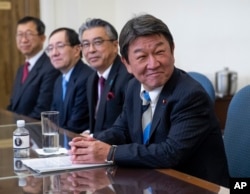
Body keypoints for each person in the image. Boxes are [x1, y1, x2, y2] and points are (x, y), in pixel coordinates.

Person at [69, 14, 229, 187]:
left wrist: (110, 152)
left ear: (172, 51)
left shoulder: (190, 95)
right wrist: (90, 141)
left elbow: (170, 153)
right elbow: (122, 130)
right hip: (152, 182)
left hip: (196, 186)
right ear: (127, 64)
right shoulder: (133, 87)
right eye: (142, 57)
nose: (153, 64)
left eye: (159, 52)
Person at [78, 18, 133, 136]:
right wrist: (88, 133)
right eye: (86, 44)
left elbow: (129, 126)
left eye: (98, 42)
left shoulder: (128, 76)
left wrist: (93, 137)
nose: (91, 50)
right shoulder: (91, 79)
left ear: (115, 45)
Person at [7, 16, 60, 120]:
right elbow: (13, 105)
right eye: (20, 35)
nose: (23, 40)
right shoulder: (21, 69)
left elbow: (42, 109)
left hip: (34, 131)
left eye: (29, 34)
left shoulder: (51, 67)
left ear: (42, 38)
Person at [47, 28, 94, 133]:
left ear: (77, 50)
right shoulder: (59, 80)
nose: (54, 53)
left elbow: (76, 125)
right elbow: (51, 118)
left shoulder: (87, 78)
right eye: (50, 48)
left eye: (60, 46)